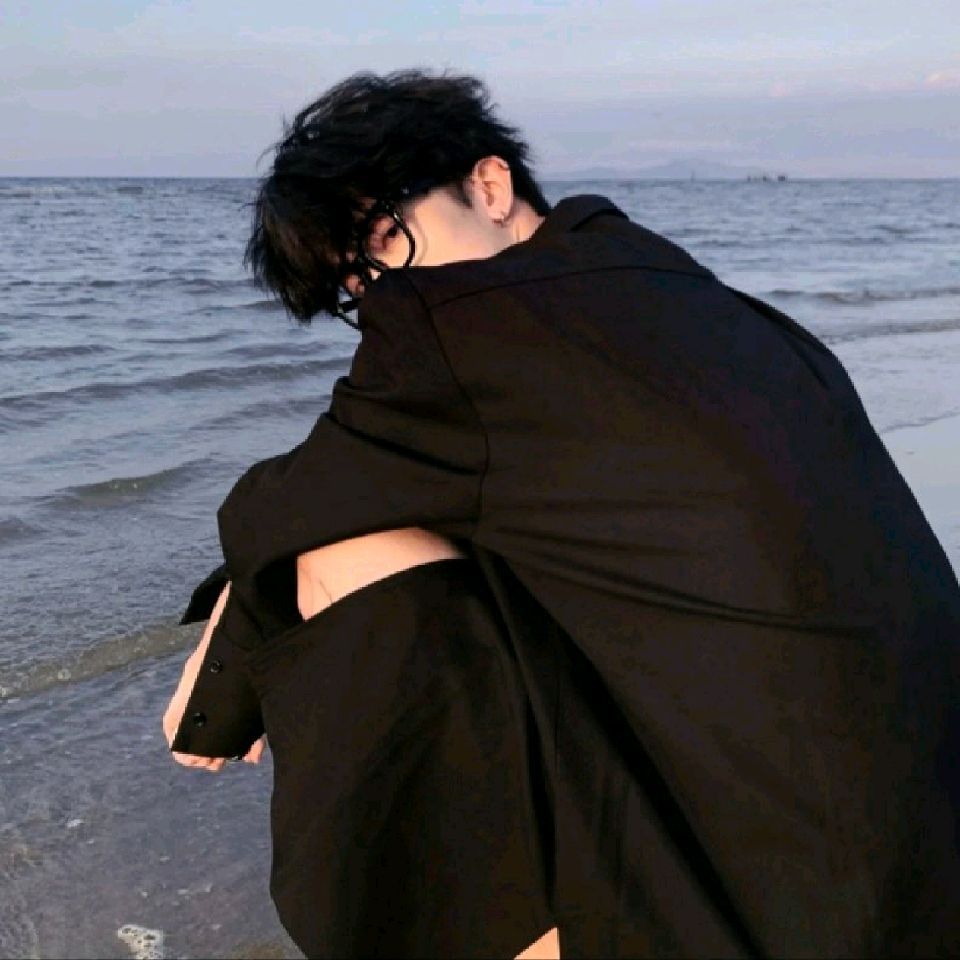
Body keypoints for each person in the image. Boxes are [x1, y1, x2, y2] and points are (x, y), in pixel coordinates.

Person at [164, 68, 960, 958]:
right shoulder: (694, 295)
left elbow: (282, 507)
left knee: (341, 552)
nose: (382, 290)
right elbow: (333, 484)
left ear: (489, 185)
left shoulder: (456, 326)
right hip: (918, 865)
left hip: (769, 908)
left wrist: (225, 682)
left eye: (385, 240)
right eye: (355, 284)